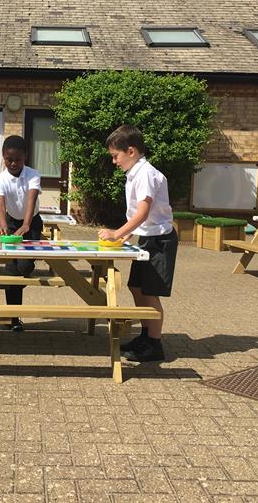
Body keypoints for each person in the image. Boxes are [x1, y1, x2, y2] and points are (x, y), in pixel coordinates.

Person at [98, 125, 177, 362]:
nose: (114, 161)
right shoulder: (135, 173)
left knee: (150, 293)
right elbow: (141, 217)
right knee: (136, 287)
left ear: (130, 151)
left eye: (115, 156)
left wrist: (116, 233)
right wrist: (127, 236)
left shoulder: (145, 174)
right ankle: (145, 336)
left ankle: (155, 344)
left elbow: (142, 212)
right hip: (148, 237)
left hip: (160, 239)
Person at [0, 135, 43, 332]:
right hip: (12, 222)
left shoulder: (33, 174)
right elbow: (0, 204)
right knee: (10, 269)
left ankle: (15, 296)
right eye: (9, 159)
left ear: (25, 157)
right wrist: (3, 224)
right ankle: (13, 317)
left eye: (18, 159)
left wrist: (27, 224)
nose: (13, 163)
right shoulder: (1, 179)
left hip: (32, 223)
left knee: (23, 265)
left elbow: (31, 200)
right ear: (3, 157)